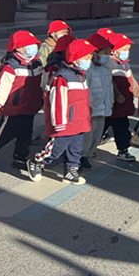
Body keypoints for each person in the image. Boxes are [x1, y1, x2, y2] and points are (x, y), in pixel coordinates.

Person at [27, 38, 95, 185]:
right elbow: (58, 102)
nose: (89, 60)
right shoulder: (62, 78)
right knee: (55, 149)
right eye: (87, 57)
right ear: (76, 58)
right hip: (65, 123)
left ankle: (71, 170)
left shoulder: (80, 76)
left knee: (76, 148)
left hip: (79, 122)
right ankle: (37, 161)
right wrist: (59, 122)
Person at [0, 30, 44, 171]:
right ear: (19, 48)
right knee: (5, 133)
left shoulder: (37, 63)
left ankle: (20, 157)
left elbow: (40, 83)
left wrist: (41, 98)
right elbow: (3, 87)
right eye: (29, 45)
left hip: (31, 105)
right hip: (14, 106)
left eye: (34, 44)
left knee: (26, 134)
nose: (33, 47)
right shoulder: (11, 66)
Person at [105, 33, 139, 162]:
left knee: (121, 127)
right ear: (114, 50)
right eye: (124, 49)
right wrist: (117, 95)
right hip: (113, 103)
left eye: (128, 50)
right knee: (107, 127)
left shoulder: (125, 64)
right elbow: (109, 83)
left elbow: (132, 82)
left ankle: (123, 150)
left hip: (123, 104)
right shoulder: (109, 64)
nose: (126, 52)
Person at [81, 33, 115, 170]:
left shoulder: (105, 70)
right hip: (90, 110)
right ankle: (82, 156)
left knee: (97, 135)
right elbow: (85, 91)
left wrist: (110, 103)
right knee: (87, 137)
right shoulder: (87, 71)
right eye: (105, 53)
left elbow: (109, 88)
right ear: (94, 53)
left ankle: (90, 152)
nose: (107, 56)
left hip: (103, 109)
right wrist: (88, 106)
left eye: (109, 53)